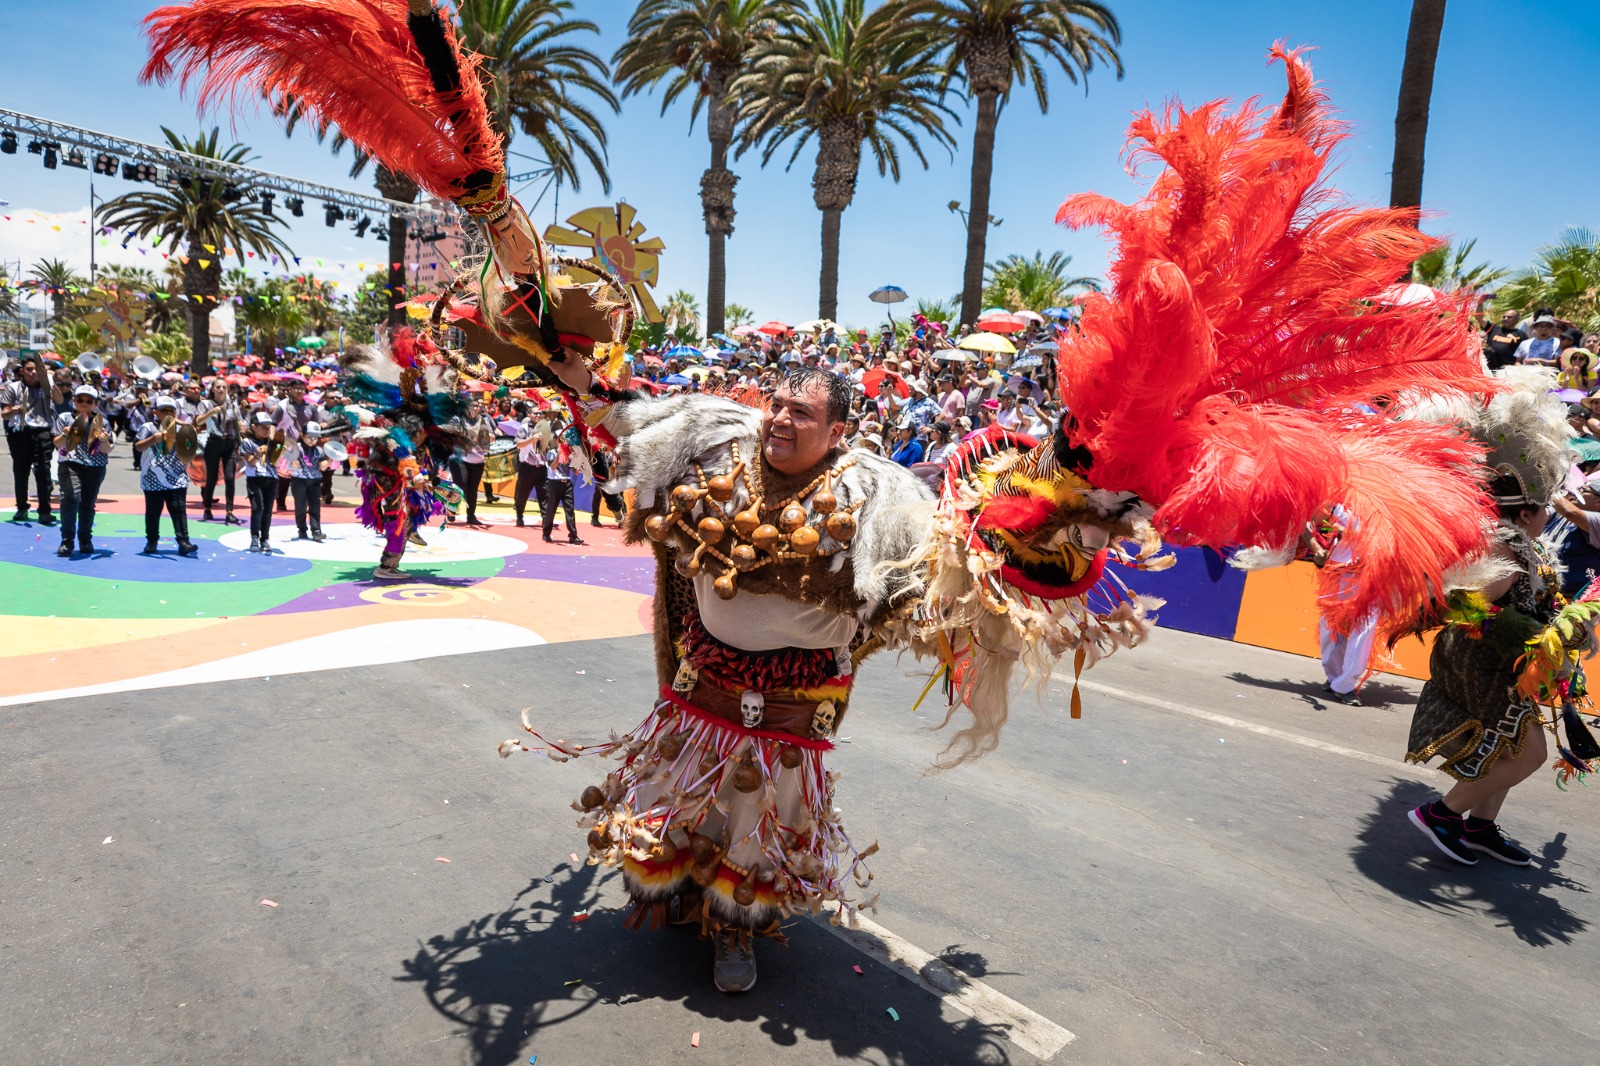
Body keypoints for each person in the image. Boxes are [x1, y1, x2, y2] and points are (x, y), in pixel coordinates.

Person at [52, 384, 113, 556]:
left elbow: (107, 450)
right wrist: (65, 434)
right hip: (70, 463)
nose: (84, 403)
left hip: (95, 466)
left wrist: (103, 440)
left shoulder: (103, 422)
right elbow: (56, 443)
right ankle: (67, 541)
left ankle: (85, 538)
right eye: (80, 400)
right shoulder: (65, 418)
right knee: (71, 498)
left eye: (89, 401)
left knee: (87, 503)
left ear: (95, 403)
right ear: (74, 401)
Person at [134, 394, 199, 556]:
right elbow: (138, 447)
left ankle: (184, 541)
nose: (169, 413)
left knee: (179, 510)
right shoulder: (148, 427)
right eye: (164, 410)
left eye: (172, 410)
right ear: (155, 411)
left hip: (177, 477)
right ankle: (152, 540)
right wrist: (153, 439)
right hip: (152, 478)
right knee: (153, 511)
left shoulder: (180, 429)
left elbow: (192, 445)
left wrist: (186, 429)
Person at [3, 354, 64, 524]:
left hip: (43, 431)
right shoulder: (13, 387)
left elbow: (59, 400)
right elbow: (4, 413)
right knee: (21, 471)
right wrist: (15, 409)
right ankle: (22, 507)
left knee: (43, 471)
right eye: (30, 370)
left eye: (37, 369)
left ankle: (44, 510)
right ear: (22, 371)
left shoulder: (46, 385)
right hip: (20, 432)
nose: (34, 373)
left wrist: (49, 380)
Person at [198, 378, 243, 523]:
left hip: (229, 442)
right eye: (218, 387)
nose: (221, 390)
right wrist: (211, 412)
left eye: (224, 387)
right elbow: (198, 421)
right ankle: (207, 508)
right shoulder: (206, 404)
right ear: (212, 389)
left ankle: (229, 511)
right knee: (212, 477)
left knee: (230, 478)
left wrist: (242, 428)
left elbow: (240, 423)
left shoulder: (232, 405)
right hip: (213, 442)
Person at [236, 411, 281, 553]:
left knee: (268, 511)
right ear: (254, 427)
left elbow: (277, 463)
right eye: (263, 427)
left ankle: (265, 538)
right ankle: (254, 537)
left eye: (269, 427)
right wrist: (258, 453)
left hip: (272, 478)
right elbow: (250, 463)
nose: (267, 430)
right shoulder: (247, 442)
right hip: (255, 479)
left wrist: (280, 452)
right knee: (258, 508)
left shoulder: (273, 443)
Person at [450, 398, 494, 526]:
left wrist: (490, 436)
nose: (476, 408)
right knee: (460, 485)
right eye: (474, 405)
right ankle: (451, 510)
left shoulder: (484, 421)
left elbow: (492, 436)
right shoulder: (459, 419)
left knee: (472, 489)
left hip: (478, 459)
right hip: (460, 457)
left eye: (478, 406)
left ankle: (471, 515)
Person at [540, 422, 584, 545]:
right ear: (555, 441)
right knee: (551, 509)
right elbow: (553, 467)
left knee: (570, 509)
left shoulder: (569, 454)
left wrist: (576, 462)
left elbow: (575, 471)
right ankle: (546, 532)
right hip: (554, 482)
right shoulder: (552, 453)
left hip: (567, 483)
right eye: (560, 440)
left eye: (564, 440)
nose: (563, 442)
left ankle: (573, 535)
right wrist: (560, 453)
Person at [287, 422, 329, 541]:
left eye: (315, 437)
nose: (312, 440)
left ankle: (316, 530)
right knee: (301, 506)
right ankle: (302, 529)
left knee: (315, 506)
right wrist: (291, 456)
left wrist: (330, 456)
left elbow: (322, 467)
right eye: (309, 437)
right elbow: (295, 466)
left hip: (315, 481)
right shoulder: (297, 448)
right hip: (299, 480)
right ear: (302, 435)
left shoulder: (319, 450)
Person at [512, 406, 548, 528]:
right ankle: (519, 516)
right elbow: (518, 444)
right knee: (522, 494)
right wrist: (531, 439)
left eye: (540, 413)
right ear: (529, 415)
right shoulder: (524, 428)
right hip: (527, 466)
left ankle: (545, 519)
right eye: (535, 413)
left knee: (545, 495)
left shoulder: (546, 428)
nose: (538, 415)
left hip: (542, 466)